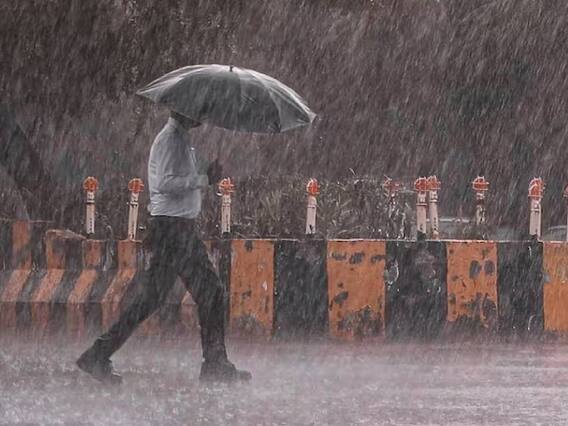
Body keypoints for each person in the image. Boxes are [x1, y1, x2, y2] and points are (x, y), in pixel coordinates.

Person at [77, 111, 251, 384]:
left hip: (175, 228)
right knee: (211, 291)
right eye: (198, 111)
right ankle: (215, 363)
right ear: (183, 111)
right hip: (174, 230)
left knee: (151, 298)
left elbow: (176, 180)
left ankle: (98, 354)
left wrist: (206, 176)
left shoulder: (180, 140)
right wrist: (203, 179)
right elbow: (164, 183)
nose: (202, 116)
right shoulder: (170, 140)